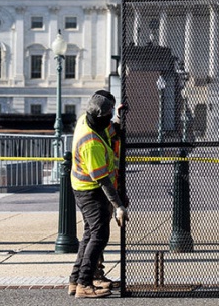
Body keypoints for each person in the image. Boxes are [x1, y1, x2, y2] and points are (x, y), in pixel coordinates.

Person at [68, 91, 130, 298]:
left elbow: (111, 131)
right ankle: (85, 285)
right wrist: (119, 205)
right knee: (99, 235)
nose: (111, 118)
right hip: (91, 191)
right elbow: (103, 180)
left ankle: (77, 280)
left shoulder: (87, 120)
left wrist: (119, 118)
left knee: (89, 234)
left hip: (84, 188)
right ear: (101, 115)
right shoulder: (90, 143)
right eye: (110, 114)